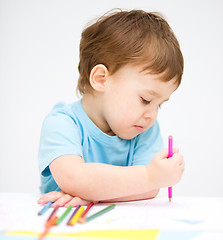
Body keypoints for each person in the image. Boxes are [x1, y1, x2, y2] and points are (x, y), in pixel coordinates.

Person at [37, 9, 184, 208]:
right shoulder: (62, 122)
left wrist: (91, 196)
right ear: (101, 79)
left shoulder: (144, 129)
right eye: (145, 99)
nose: (152, 115)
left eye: (160, 105)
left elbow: (149, 189)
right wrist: (150, 175)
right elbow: (73, 178)